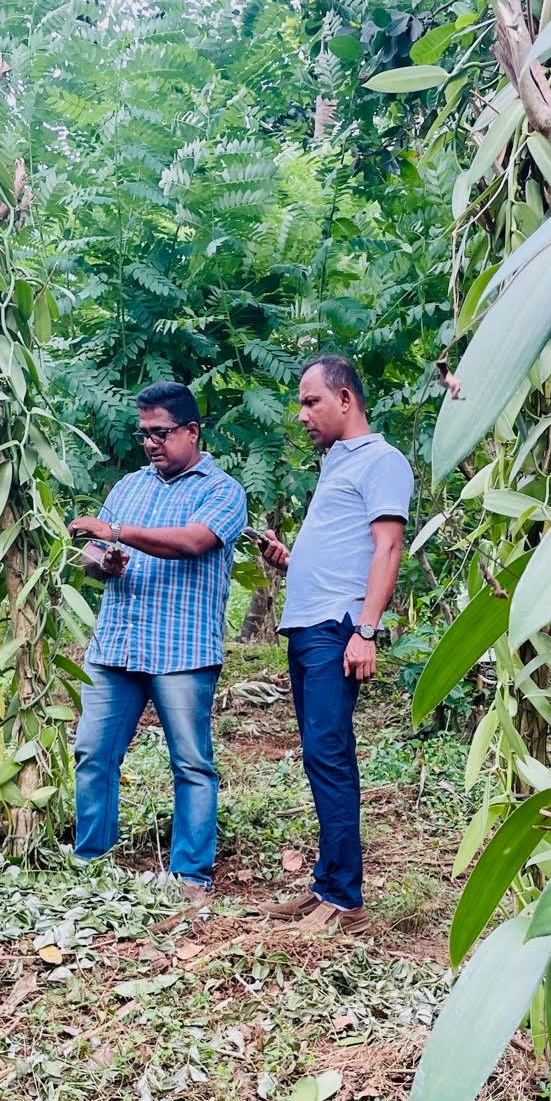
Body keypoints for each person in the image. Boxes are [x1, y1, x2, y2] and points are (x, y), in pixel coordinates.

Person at [69, 381, 246, 898]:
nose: (150, 443)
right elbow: (90, 561)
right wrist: (104, 561)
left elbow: (193, 541)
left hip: (182, 651)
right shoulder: (129, 487)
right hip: (117, 647)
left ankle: (191, 877)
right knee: (93, 754)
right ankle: (92, 865)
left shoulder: (222, 491)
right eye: (144, 433)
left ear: (191, 431)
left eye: (161, 433)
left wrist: (116, 533)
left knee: (191, 763)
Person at [259, 355, 411, 931]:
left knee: (330, 755)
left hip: (336, 629)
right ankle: (326, 883)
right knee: (319, 756)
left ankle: (345, 900)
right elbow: (343, 550)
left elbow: (388, 548)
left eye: (310, 401)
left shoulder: (382, 461)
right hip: (308, 626)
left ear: (345, 399)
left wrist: (365, 630)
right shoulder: (335, 464)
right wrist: (289, 560)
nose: (302, 415)